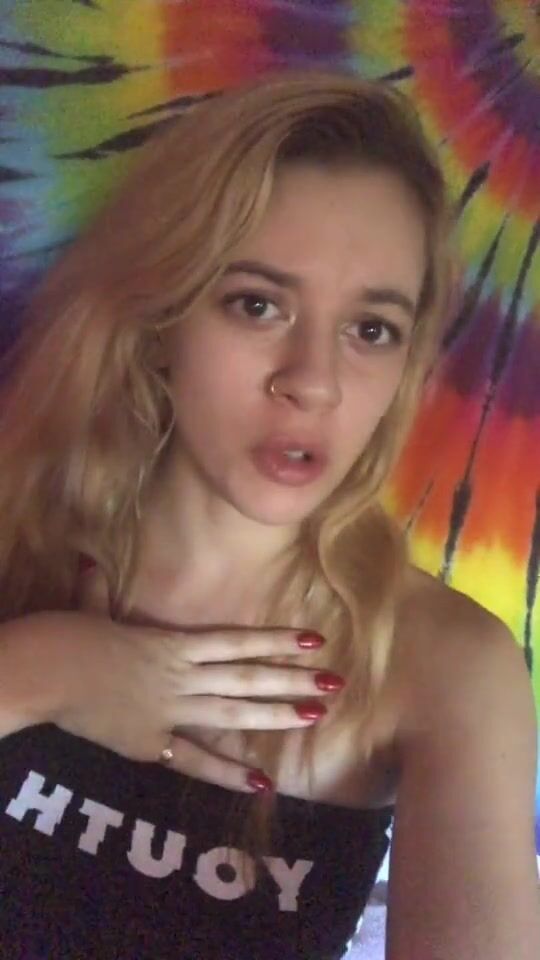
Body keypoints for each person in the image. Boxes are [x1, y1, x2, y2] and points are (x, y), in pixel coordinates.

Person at [0, 71, 537, 960]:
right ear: (163, 321)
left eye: (371, 329)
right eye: (258, 305)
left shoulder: (448, 669)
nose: (313, 382)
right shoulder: (16, 532)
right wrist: (37, 670)